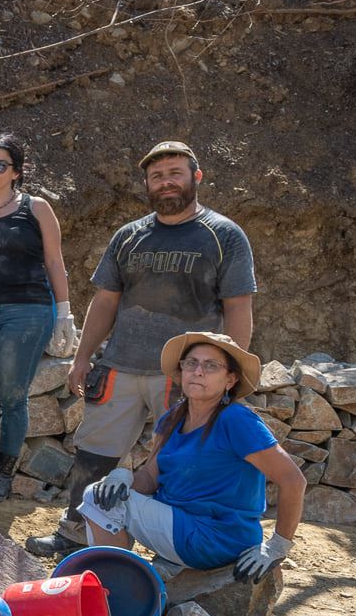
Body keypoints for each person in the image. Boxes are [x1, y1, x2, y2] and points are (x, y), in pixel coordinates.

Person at [30, 141, 256, 557]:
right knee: (94, 453)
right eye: (157, 176)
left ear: (196, 178)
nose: (166, 182)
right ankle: (76, 534)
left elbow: (238, 305)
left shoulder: (223, 235)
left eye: (175, 173)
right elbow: (106, 301)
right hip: (120, 365)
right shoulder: (130, 236)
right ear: (147, 184)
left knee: (174, 459)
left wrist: (230, 371)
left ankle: (167, 543)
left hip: (184, 373)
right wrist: (83, 356)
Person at [76, 333, 303, 585]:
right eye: (191, 363)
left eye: (211, 365)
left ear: (230, 379)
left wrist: (278, 546)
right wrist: (121, 477)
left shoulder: (236, 420)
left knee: (92, 500)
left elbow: (293, 480)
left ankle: (116, 589)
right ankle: (127, 580)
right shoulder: (173, 417)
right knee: (102, 496)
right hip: (182, 528)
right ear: (181, 370)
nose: (198, 371)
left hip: (216, 537)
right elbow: (150, 477)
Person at [0, 132, 76, 503]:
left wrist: (64, 312)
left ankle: (3, 475)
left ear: (16, 172)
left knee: (12, 395)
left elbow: (54, 261)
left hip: (28, 310)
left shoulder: (35, 208)